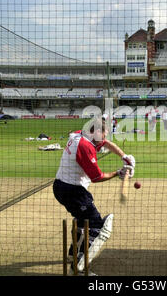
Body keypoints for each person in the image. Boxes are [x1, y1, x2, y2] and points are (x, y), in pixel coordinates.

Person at [53, 117, 135, 273]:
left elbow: (106, 144)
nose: (103, 141)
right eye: (103, 136)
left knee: (82, 221)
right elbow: (96, 177)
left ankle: (73, 255)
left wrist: (124, 157)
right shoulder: (85, 146)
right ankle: (79, 267)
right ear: (96, 132)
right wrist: (118, 172)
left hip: (60, 186)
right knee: (96, 225)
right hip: (73, 191)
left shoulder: (80, 135)